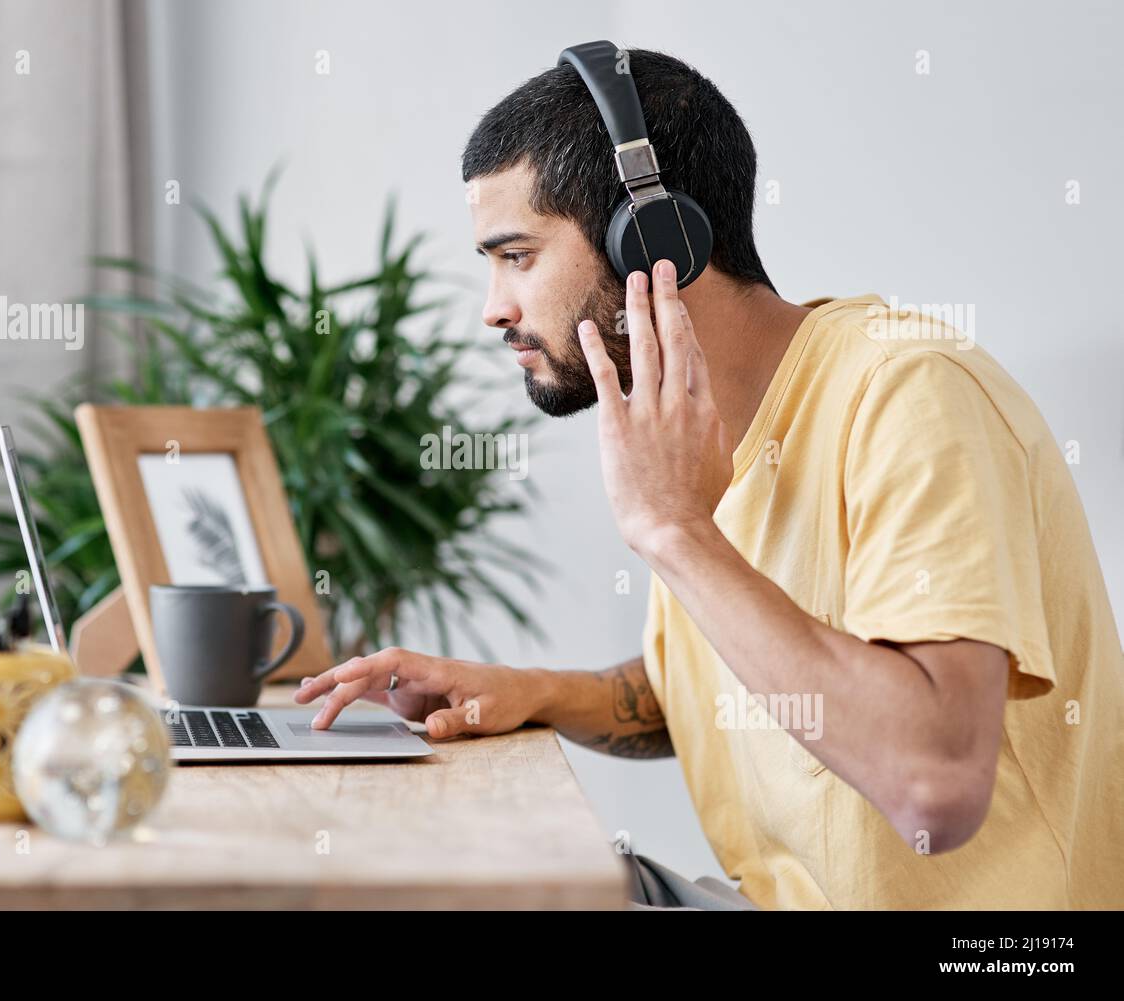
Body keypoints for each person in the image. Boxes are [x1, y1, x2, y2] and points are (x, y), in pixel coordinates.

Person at [296, 47, 1123, 910]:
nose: (493, 307)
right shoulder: (692, 432)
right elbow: (719, 677)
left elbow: (936, 784)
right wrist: (530, 691)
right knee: (443, 871)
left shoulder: (910, 394)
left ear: (654, 241)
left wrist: (675, 531)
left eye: (518, 256)